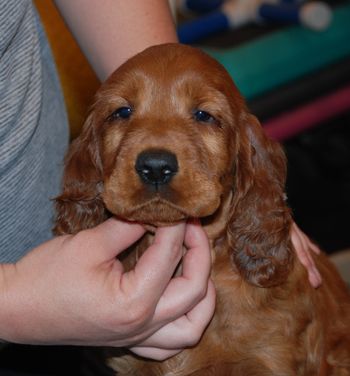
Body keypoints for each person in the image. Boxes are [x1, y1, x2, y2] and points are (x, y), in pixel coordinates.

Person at [0, 0, 321, 364]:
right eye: (122, 112)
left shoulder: (266, 316)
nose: (155, 156)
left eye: (204, 115)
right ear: (90, 156)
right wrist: (15, 302)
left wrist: (264, 207)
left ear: (246, 156)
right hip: (57, 305)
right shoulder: (100, 285)